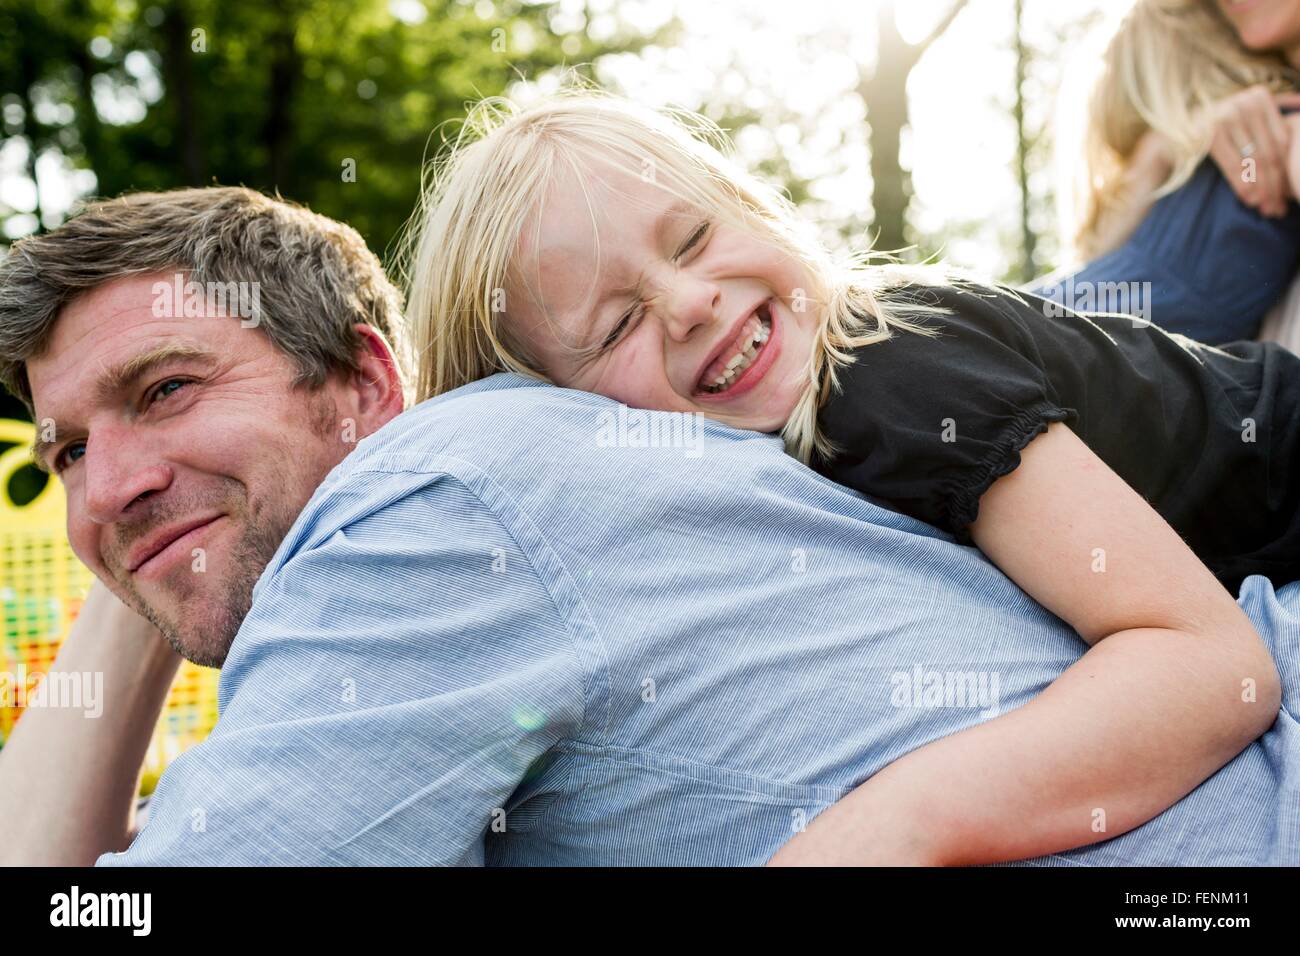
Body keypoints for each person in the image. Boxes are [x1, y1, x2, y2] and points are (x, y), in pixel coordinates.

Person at [0, 186, 1291, 868]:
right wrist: (151, 529)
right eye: (67, 447)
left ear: (367, 385)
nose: (103, 482)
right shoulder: (523, 499)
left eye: (165, 390)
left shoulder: (427, 510)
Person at [404, 90, 1295, 863]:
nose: (688, 303)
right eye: (613, 327)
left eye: (695, 237)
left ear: (754, 206)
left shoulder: (887, 378)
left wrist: (900, 823)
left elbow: (1215, 667)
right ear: (552, 425)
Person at [1033, 0, 1300, 343]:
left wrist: (1249, 161)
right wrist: (1160, 152)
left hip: (1087, 329)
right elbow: (1100, 275)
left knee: (969, 327)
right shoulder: (1205, 153)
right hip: (1084, 323)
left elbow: (1257, 180)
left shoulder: (1264, 136)